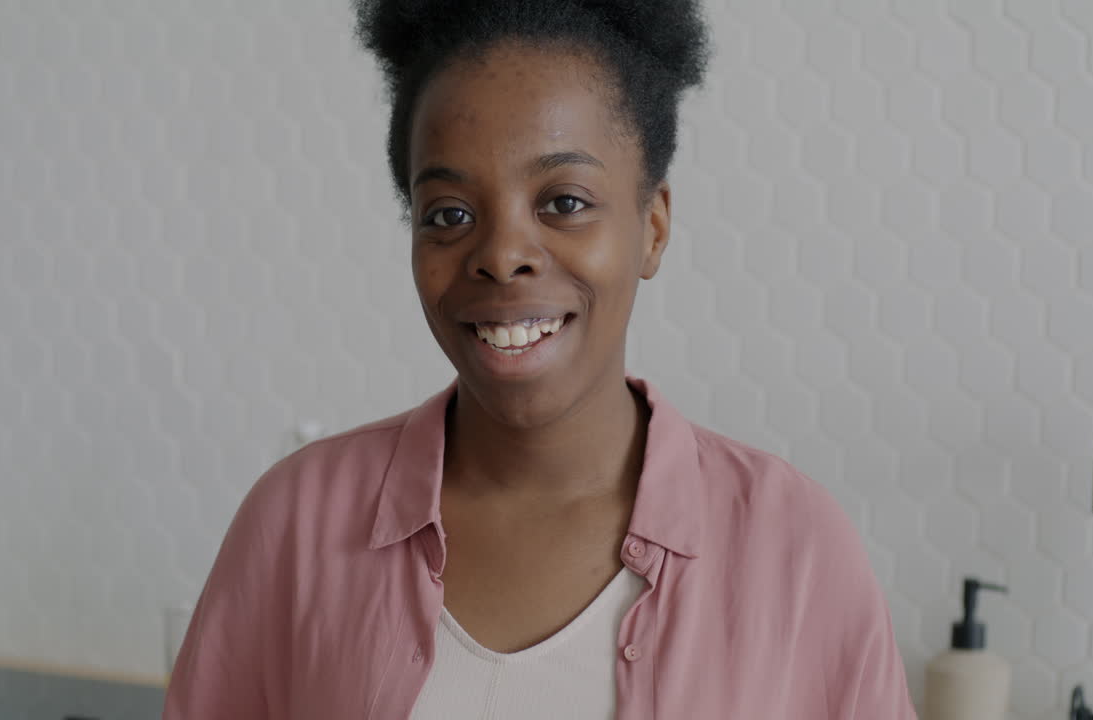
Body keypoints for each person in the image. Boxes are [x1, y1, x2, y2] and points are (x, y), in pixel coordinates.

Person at [164, 0, 918, 717]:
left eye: (563, 202)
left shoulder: (797, 553)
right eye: (450, 214)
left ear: (652, 227)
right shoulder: (294, 525)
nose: (500, 255)